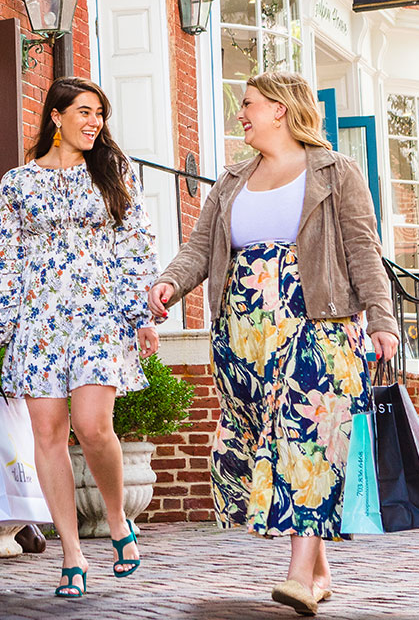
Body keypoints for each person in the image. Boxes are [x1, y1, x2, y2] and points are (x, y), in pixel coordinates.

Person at [147, 72, 399, 617]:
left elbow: (363, 249)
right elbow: (198, 250)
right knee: (274, 443)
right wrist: (169, 283)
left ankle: (297, 579)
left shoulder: (335, 172)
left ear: (281, 110)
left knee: (306, 440)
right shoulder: (232, 180)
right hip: (244, 334)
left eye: (249, 105)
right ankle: (319, 571)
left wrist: (382, 322)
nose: (242, 114)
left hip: (319, 323)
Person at [0, 77, 161, 601]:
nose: (95, 122)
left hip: (99, 315)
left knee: (94, 427)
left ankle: (118, 519)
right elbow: (4, 258)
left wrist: (141, 314)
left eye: (100, 113)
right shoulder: (18, 183)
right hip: (38, 319)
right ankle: (72, 555)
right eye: (84, 111)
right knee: (48, 434)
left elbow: (136, 244)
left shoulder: (113, 172)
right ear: (55, 117)